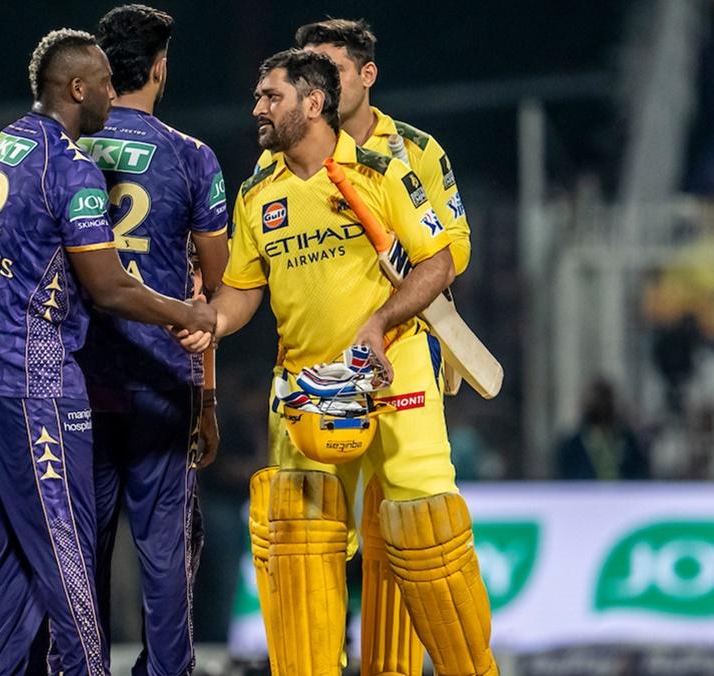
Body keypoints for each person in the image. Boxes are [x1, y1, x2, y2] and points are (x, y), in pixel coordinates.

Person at [186, 49, 497, 675]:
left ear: (312, 102)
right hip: (307, 384)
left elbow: (437, 261)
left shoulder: (385, 172)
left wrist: (379, 322)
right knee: (296, 541)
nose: (257, 108)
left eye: (271, 96)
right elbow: (244, 288)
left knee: (425, 528)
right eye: (258, 96)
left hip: (394, 369)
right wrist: (211, 320)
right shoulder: (257, 191)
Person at [0, 28, 215, 675]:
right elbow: (109, 286)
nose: (114, 94)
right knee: (66, 549)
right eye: (106, 84)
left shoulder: (6, 143)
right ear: (78, 88)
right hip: (26, 369)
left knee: (12, 552)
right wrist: (188, 312)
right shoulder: (71, 166)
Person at [249, 19, 474, 676]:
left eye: (333, 68)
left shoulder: (413, 150)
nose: (317, 80)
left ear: (365, 75)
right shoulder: (271, 169)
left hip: (397, 355)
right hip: (313, 376)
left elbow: (452, 248)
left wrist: (399, 294)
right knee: (302, 535)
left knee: (404, 531)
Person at [76, 5, 228, 673]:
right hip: (163, 378)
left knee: (80, 546)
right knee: (166, 551)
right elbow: (215, 292)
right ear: (160, 68)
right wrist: (208, 399)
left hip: (78, 376)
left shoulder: (65, 150)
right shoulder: (192, 156)